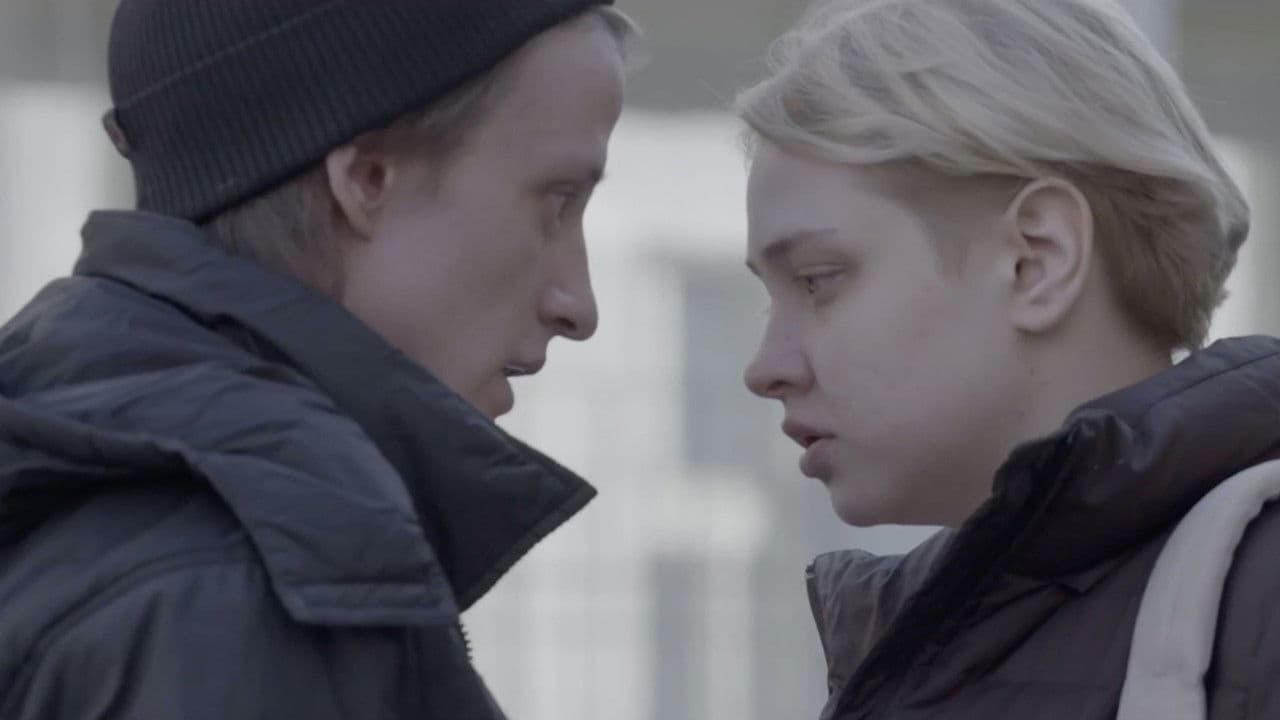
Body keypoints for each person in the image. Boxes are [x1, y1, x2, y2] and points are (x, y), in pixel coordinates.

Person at [0, 1, 637, 718]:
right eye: (556, 202)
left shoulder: (111, 506)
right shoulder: (236, 594)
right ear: (367, 180)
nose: (577, 305)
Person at [736, 0, 1280, 718]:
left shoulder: (1259, 605)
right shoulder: (927, 635)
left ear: (1038, 258)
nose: (764, 368)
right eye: (771, 299)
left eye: (817, 280)